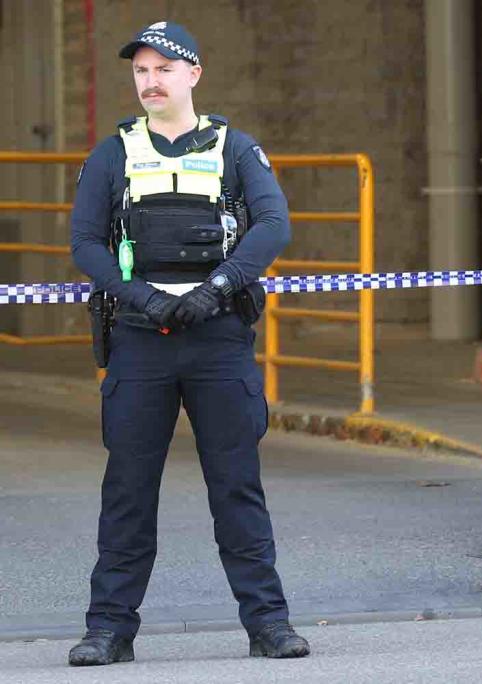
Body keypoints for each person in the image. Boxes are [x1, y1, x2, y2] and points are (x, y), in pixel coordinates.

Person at [68, 21, 309, 665]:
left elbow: (275, 225)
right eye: (141, 71)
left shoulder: (235, 148)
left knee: (236, 486)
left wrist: (219, 286)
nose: (150, 82)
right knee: (128, 490)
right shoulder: (113, 152)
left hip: (217, 337)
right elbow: (85, 243)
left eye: (163, 70)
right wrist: (141, 296)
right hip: (141, 342)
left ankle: (269, 625)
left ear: (193, 74)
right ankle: (108, 630)